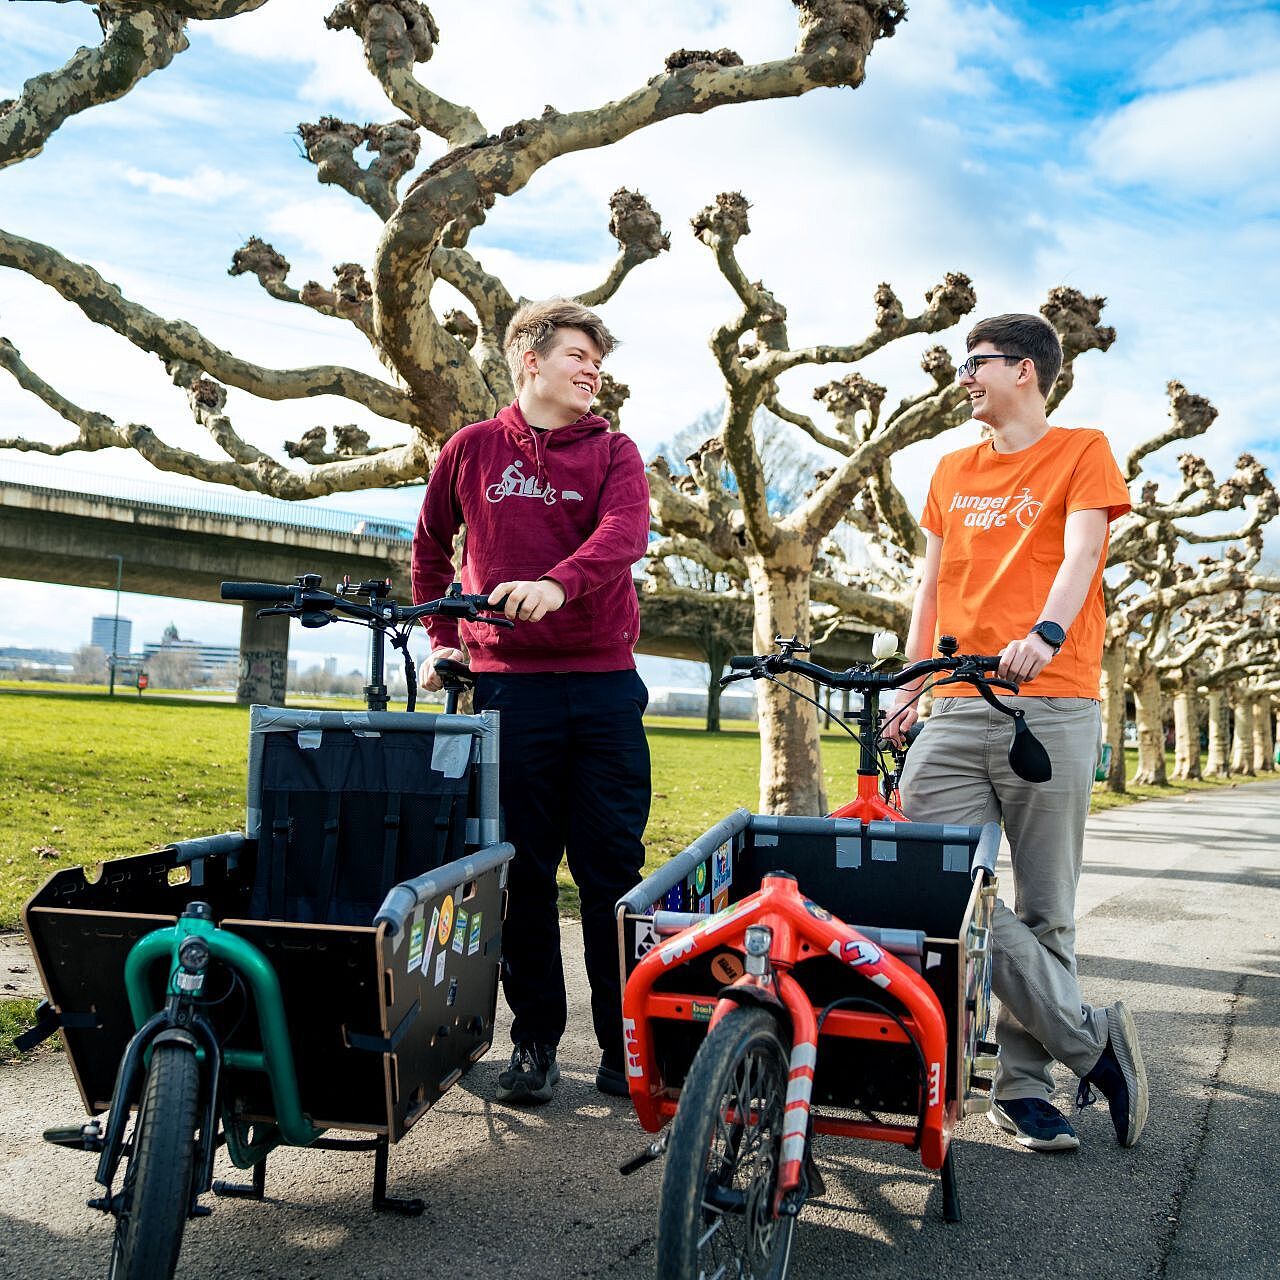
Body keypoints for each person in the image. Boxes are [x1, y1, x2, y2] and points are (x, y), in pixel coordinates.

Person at [884, 313, 1148, 1153]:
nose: (965, 376)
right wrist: (912, 676)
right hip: (956, 705)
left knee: (1045, 910)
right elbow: (930, 584)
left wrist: (1046, 633)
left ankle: (1024, 1089)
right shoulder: (951, 467)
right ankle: (1092, 1044)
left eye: (978, 362)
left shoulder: (1081, 450)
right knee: (932, 880)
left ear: (1026, 370)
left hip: (1050, 698)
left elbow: (1082, 556)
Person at [411, 298, 651, 1105]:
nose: (592, 370)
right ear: (529, 360)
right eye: (577, 355)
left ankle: (628, 1049)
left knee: (612, 871)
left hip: (605, 687)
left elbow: (624, 536)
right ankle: (536, 1043)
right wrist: (443, 637)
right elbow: (427, 546)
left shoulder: (616, 451)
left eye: (598, 360)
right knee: (524, 874)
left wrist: (557, 584)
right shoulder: (471, 449)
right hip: (509, 691)